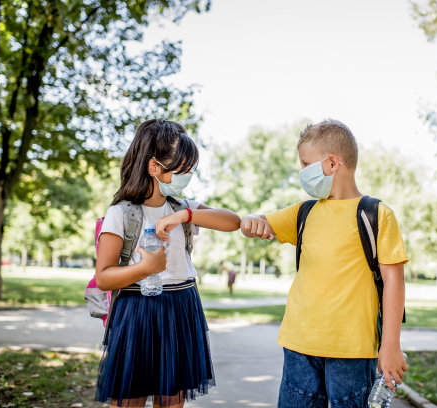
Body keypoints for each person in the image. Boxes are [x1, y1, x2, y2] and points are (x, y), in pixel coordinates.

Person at [240, 119, 408, 408]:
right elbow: (260, 223)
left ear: (332, 164)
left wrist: (390, 345)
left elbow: (394, 281)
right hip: (299, 346)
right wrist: (252, 222)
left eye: (306, 164)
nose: (302, 172)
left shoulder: (376, 214)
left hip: (353, 351)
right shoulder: (304, 212)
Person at [94, 119, 241, 408]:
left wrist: (185, 216)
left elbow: (233, 221)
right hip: (137, 310)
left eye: (190, 169)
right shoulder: (122, 213)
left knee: (172, 401)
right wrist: (145, 269)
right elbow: (104, 277)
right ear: (154, 167)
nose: (187, 175)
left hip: (182, 307)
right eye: (182, 169)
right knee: (129, 400)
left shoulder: (184, 207)